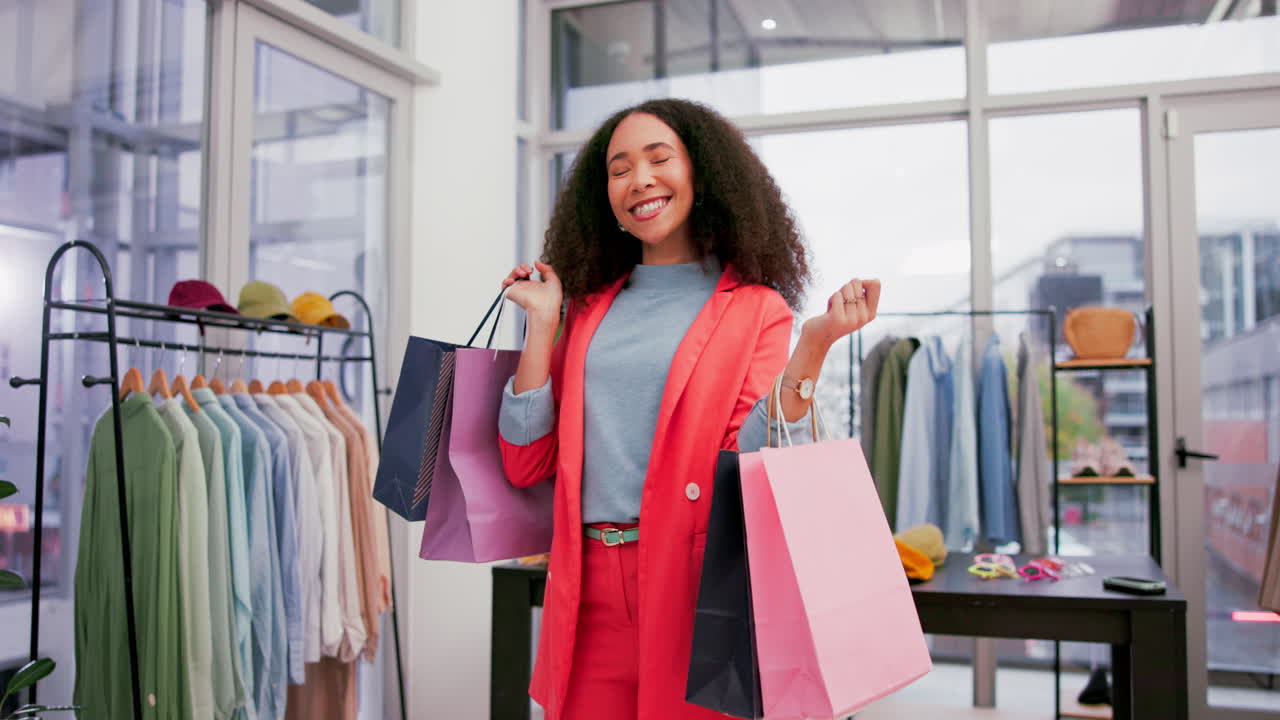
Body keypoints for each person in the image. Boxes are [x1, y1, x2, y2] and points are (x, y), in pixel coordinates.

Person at [497, 98, 881, 720]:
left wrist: (813, 347)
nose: (639, 179)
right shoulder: (588, 310)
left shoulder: (756, 308)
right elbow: (526, 463)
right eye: (619, 169)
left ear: (702, 177)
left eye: (658, 158)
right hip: (585, 588)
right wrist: (543, 324)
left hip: (696, 585)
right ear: (606, 199)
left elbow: (749, 458)